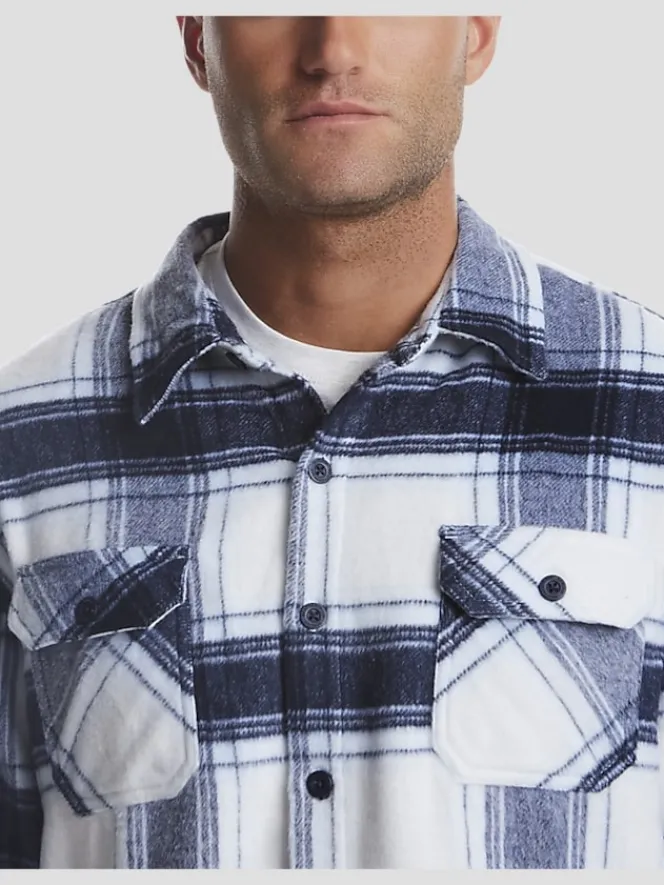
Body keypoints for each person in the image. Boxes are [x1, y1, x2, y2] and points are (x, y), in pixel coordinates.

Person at [0, 14, 662, 870]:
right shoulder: (25, 439)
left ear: (476, 32)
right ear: (199, 41)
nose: (333, 50)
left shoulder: (646, 409)